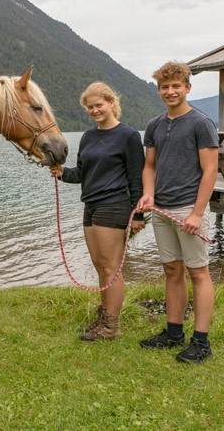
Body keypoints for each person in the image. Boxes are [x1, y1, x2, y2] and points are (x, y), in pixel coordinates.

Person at [135, 61, 218, 364]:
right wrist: (148, 193)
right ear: (159, 90)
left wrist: (197, 213)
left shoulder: (201, 123)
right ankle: (173, 333)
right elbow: (149, 166)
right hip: (161, 209)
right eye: (164, 87)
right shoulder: (155, 125)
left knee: (198, 272)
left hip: (188, 209)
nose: (170, 91)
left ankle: (201, 341)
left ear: (187, 88)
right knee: (171, 270)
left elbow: (210, 172)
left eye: (175, 86)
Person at [50, 82, 145, 341]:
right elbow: (82, 173)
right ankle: (104, 318)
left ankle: (111, 327)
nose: (94, 110)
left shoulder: (128, 136)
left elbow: (136, 178)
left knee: (111, 268)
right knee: (99, 265)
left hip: (114, 205)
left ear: (112, 103)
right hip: (90, 206)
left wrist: (137, 214)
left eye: (99, 105)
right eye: (90, 107)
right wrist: (61, 173)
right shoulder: (89, 136)